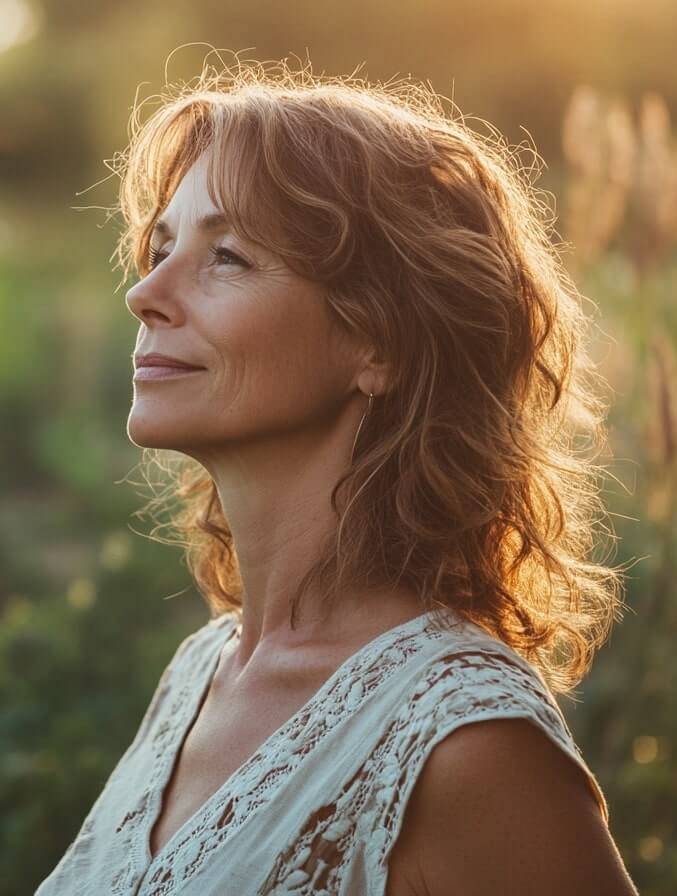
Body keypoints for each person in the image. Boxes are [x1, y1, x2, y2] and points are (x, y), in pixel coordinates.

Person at [35, 58, 639, 895]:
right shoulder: (202, 673)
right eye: (162, 246)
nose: (146, 292)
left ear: (379, 342)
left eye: (230, 257)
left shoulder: (465, 742)